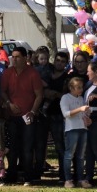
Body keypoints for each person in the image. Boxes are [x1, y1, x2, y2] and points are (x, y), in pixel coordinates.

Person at [1, 46, 44, 185]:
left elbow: (39, 95)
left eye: (18, 56)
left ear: (25, 58)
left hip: (28, 117)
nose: (15, 59)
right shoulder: (7, 73)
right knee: (12, 148)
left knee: (27, 148)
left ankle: (28, 176)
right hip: (12, 116)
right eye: (13, 56)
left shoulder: (33, 73)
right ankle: (11, 174)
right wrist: (9, 104)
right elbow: (3, 92)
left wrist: (32, 111)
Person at [35, 51, 70, 182]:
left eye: (63, 61)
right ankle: (37, 173)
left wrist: (55, 94)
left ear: (66, 64)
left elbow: (67, 96)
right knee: (40, 145)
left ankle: (63, 175)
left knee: (60, 146)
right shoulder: (45, 72)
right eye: (58, 60)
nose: (59, 63)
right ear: (54, 61)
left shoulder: (67, 78)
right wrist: (44, 92)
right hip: (43, 114)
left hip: (58, 115)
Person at [60, 77, 92, 188]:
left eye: (81, 87)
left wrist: (87, 116)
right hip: (71, 129)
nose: (80, 89)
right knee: (69, 155)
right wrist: (80, 109)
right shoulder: (65, 98)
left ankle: (80, 179)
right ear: (71, 87)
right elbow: (66, 114)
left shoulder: (81, 98)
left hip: (82, 128)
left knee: (81, 156)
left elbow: (84, 114)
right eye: (78, 87)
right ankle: (68, 180)